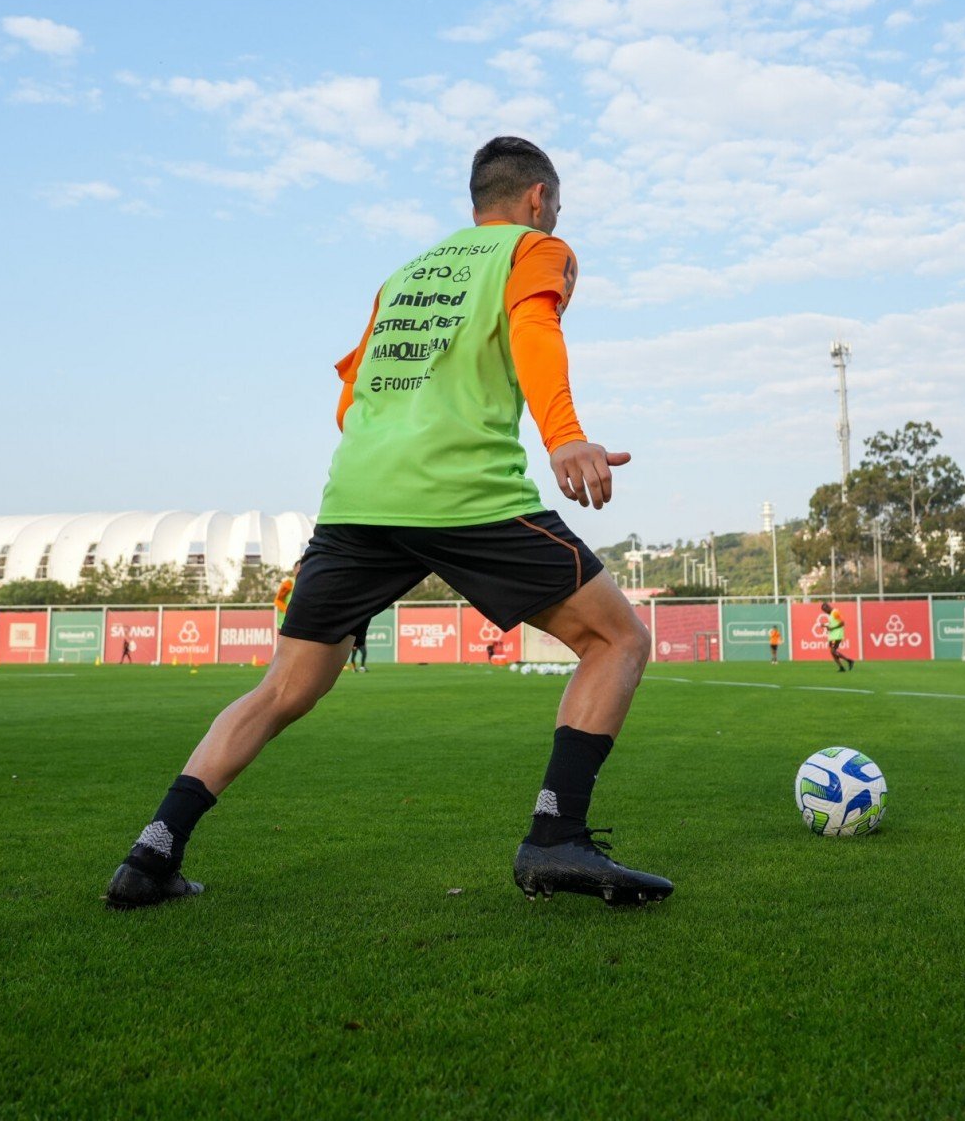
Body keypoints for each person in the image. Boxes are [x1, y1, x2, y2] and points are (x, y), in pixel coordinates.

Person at [105, 136, 668, 912]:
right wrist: (565, 434)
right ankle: (554, 838)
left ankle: (150, 854)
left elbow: (351, 398)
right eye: (557, 203)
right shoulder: (538, 249)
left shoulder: (403, 277)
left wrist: (388, 458)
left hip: (358, 499)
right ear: (537, 198)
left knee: (283, 690)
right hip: (463, 495)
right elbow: (538, 332)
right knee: (619, 639)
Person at [822, 604, 852, 672]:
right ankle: (841, 667)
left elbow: (842, 623)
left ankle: (849, 660)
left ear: (828, 607)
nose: (825, 612)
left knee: (833, 651)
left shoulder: (835, 612)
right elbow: (832, 624)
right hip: (833, 635)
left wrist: (832, 628)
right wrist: (824, 625)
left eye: (825, 610)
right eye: (824, 611)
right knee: (833, 652)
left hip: (837, 635)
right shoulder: (831, 614)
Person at [274, 563, 299, 631]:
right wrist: (289, 611)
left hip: (298, 622)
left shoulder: (306, 583)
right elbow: (278, 600)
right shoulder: (289, 582)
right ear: (294, 570)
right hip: (285, 622)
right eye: (299, 568)